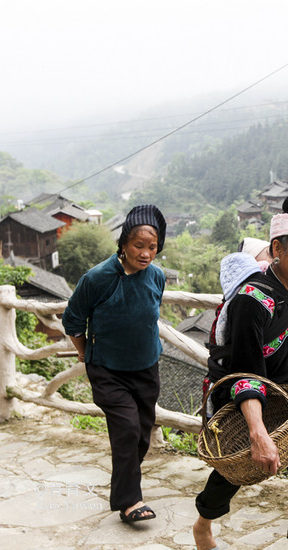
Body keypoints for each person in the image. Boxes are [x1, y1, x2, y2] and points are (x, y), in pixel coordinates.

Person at [193, 188, 288, 550]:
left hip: (286, 388)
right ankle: (203, 522)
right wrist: (256, 431)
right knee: (239, 466)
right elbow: (247, 371)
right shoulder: (251, 299)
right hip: (243, 385)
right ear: (278, 249)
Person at [62, 204, 167, 524]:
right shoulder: (97, 278)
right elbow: (73, 321)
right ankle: (129, 500)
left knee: (141, 435)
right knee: (127, 430)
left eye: (152, 247)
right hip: (108, 369)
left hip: (146, 366)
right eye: (139, 245)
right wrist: (83, 353)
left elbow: (150, 315)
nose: (146, 253)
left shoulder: (157, 277)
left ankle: (126, 486)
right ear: (123, 244)